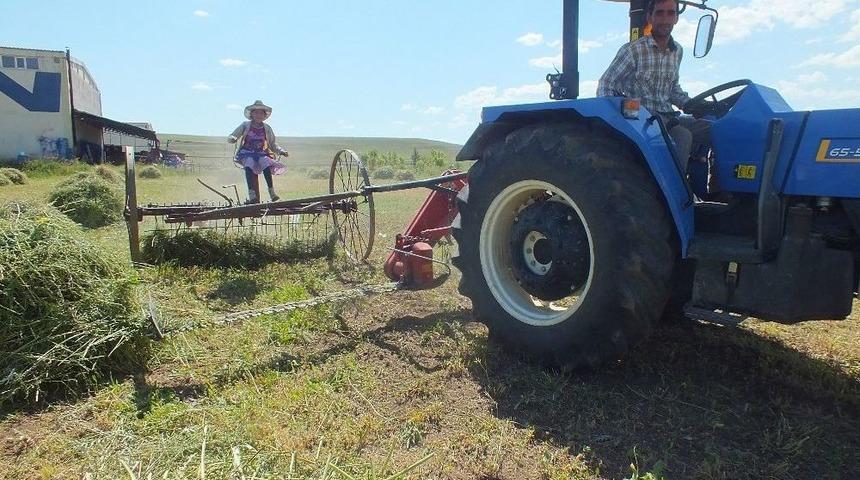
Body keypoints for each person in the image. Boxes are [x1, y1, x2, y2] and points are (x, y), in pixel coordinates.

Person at [597, 0, 710, 174]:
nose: (665, 19)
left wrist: (691, 104)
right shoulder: (634, 50)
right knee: (683, 136)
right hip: (645, 119)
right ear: (650, 17)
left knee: (714, 127)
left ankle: (720, 191)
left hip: (669, 115)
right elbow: (606, 85)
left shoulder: (677, 51)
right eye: (659, 13)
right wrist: (625, 115)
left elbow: (672, 89)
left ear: (677, 18)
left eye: (670, 13)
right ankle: (672, 196)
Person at [228, 100, 289, 203]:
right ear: (252, 114)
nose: (259, 115)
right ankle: (252, 194)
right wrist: (232, 138)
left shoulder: (267, 128)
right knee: (249, 163)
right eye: (256, 112)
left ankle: (272, 192)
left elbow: (273, 144)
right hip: (247, 153)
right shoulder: (245, 125)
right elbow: (233, 135)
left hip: (261, 153)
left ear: (264, 115)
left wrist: (281, 151)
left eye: (261, 112)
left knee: (265, 162)